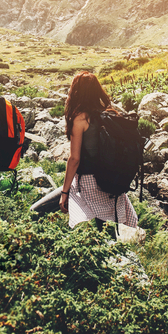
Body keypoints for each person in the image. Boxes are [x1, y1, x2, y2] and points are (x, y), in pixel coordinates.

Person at [58, 71, 138, 234]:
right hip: (110, 178)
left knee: (100, 230)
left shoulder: (80, 118)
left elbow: (74, 159)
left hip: (90, 183)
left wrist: (64, 192)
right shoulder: (108, 113)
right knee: (110, 229)